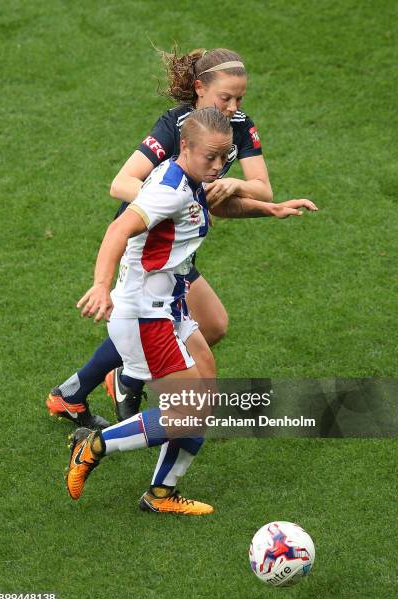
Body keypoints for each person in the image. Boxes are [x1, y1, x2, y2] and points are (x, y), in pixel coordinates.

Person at [47, 47, 316, 428]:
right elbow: (121, 183)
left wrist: (238, 187)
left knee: (212, 327)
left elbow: (261, 188)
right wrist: (174, 202)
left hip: (180, 245)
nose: (233, 106)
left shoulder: (237, 125)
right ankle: (119, 392)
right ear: (200, 89)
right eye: (225, 98)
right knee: (186, 342)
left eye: (240, 98)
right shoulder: (178, 127)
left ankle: (84, 390)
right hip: (153, 246)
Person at [65, 108, 317, 515]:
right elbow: (118, 229)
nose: (219, 167)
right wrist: (99, 285)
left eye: (224, 157)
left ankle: (160, 494)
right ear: (186, 147)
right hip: (146, 312)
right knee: (187, 410)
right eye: (210, 158)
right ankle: (93, 445)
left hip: (171, 305)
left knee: (206, 391)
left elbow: (211, 208)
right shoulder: (169, 188)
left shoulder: (189, 176)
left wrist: (270, 208)